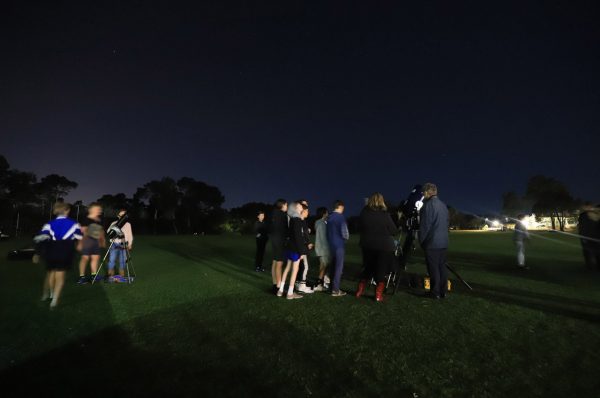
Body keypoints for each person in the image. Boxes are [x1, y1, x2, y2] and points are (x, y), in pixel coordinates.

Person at [34, 202, 83, 309]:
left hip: (51, 251)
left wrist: (37, 253)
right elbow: (79, 237)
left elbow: (39, 239)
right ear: (67, 210)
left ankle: (51, 294)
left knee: (51, 273)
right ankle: (54, 300)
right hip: (65, 251)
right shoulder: (74, 223)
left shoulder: (49, 223)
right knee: (60, 276)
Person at [355, 193, 398, 302]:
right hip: (384, 246)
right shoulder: (385, 215)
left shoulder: (364, 213)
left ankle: (359, 291)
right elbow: (394, 230)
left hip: (367, 245)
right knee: (381, 270)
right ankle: (378, 295)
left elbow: (359, 227)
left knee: (367, 268)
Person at [418, 183, 449, 299]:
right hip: (443, 241)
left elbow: (425, 226)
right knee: (442, 267)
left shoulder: (428, 205)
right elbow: (446, 223)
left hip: (432, 242)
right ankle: (443, 291)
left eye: (423, 192)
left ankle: (434, 292)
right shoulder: (443, 205)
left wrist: (421, 241)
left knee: (433, 268)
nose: (422, 195)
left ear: (427, 192)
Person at [277, 202, 311, 299]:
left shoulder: (292, 219)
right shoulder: (297, 220)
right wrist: (302, 252)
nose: (301, 207)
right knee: (294, 270)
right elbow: (298, 237)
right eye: (299, 206)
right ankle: (290, 293)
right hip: (295, 249)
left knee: (287, 268)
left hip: (289, 247)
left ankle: (280, 290)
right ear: (296, 208)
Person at [77, 203, 106, 284]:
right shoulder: (86, 219)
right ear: (91, 209)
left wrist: (102, 240)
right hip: (87, 241)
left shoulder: (100, 220)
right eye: (98, 209)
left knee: (95, 258)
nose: (99, 211)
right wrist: (80, 243)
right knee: (85, 259)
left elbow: (101, 231)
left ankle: (94, 275)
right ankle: (81, 277)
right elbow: (82, 232)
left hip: (96, 242)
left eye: (100, 209)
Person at [327, 200, 349, 297]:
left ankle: (331, 287)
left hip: (331, 245)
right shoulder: (340, 217)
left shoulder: (329, 217)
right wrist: (345, 239)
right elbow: (345, 233)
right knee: (338, 268)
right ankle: (336, 290)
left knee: (332, 267)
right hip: (339, 245)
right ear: (340, 207)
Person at [107, 208, 134, 282]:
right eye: (121, 215)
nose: (122, 216)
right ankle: (110, 275)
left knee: (122, 260)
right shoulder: (114, 223)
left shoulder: (128, 224)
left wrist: (130, 244)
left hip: (124, 244)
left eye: (124, 215)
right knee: (112, 260)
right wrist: (111, 238)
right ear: (118, 215)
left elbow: (129, 235)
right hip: (115, 243)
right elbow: (108, 231)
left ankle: (121, 275)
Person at [269, 199, 288, 293]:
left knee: (275, 262)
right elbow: (285, 229)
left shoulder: (273, 213)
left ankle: (274, 284)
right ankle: (279, 286)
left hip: (273, 240)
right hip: (280, 241)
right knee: (279, 264)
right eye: (286, 205)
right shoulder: (282, 215)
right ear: (282, 205)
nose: (287, 207)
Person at [295, 204, 314, 293]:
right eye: (307, 211)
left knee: (301, 266)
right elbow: (300, 236)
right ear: (303, 211)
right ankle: (302, 286)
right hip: (301, 248)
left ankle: (299, 284)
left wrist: (308, 242)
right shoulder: (299, 221)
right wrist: (305, 245)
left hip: (303, 247)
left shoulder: (302, 221)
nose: (308, 213)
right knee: (305, 266)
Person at [578, 203, 600, 270]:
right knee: (588, 253)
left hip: (595, 238)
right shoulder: (584, 216)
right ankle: (589, 266)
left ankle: (597, 266)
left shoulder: (596, 215)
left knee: (597, 253)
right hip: (587, 238)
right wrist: (583, 237)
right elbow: (583, 227)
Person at [313, 207, 330, 292]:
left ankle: (322, 282)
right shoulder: (322, 224)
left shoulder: (317, 222)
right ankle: (318, 284)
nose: (328, 214)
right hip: (323, 248)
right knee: (323, 267)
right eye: (327, 213)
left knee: (322, 266)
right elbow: (324, 238)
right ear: (324, 214)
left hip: (319, 247)